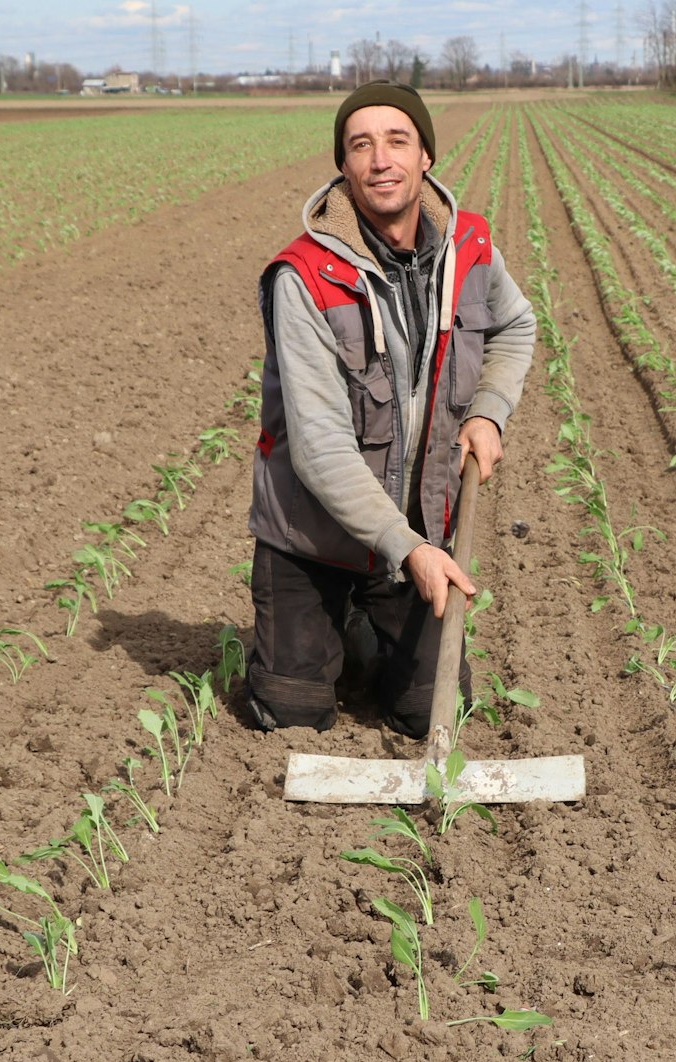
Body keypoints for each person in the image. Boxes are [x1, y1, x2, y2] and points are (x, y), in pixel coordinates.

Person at [246, 81, 536, 737]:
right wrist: (408, 550)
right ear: (344, 166)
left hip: (415, 526)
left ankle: (367, 632)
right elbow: (318, 449)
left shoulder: (471, 249)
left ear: (425, 155)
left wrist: (488, 410)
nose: (381, 159)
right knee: (290, 715)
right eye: (362, 145)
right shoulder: (304, 277)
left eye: (397, 140)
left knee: (428, 711)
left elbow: (515, 327)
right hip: (312, 537)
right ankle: (332, 624)